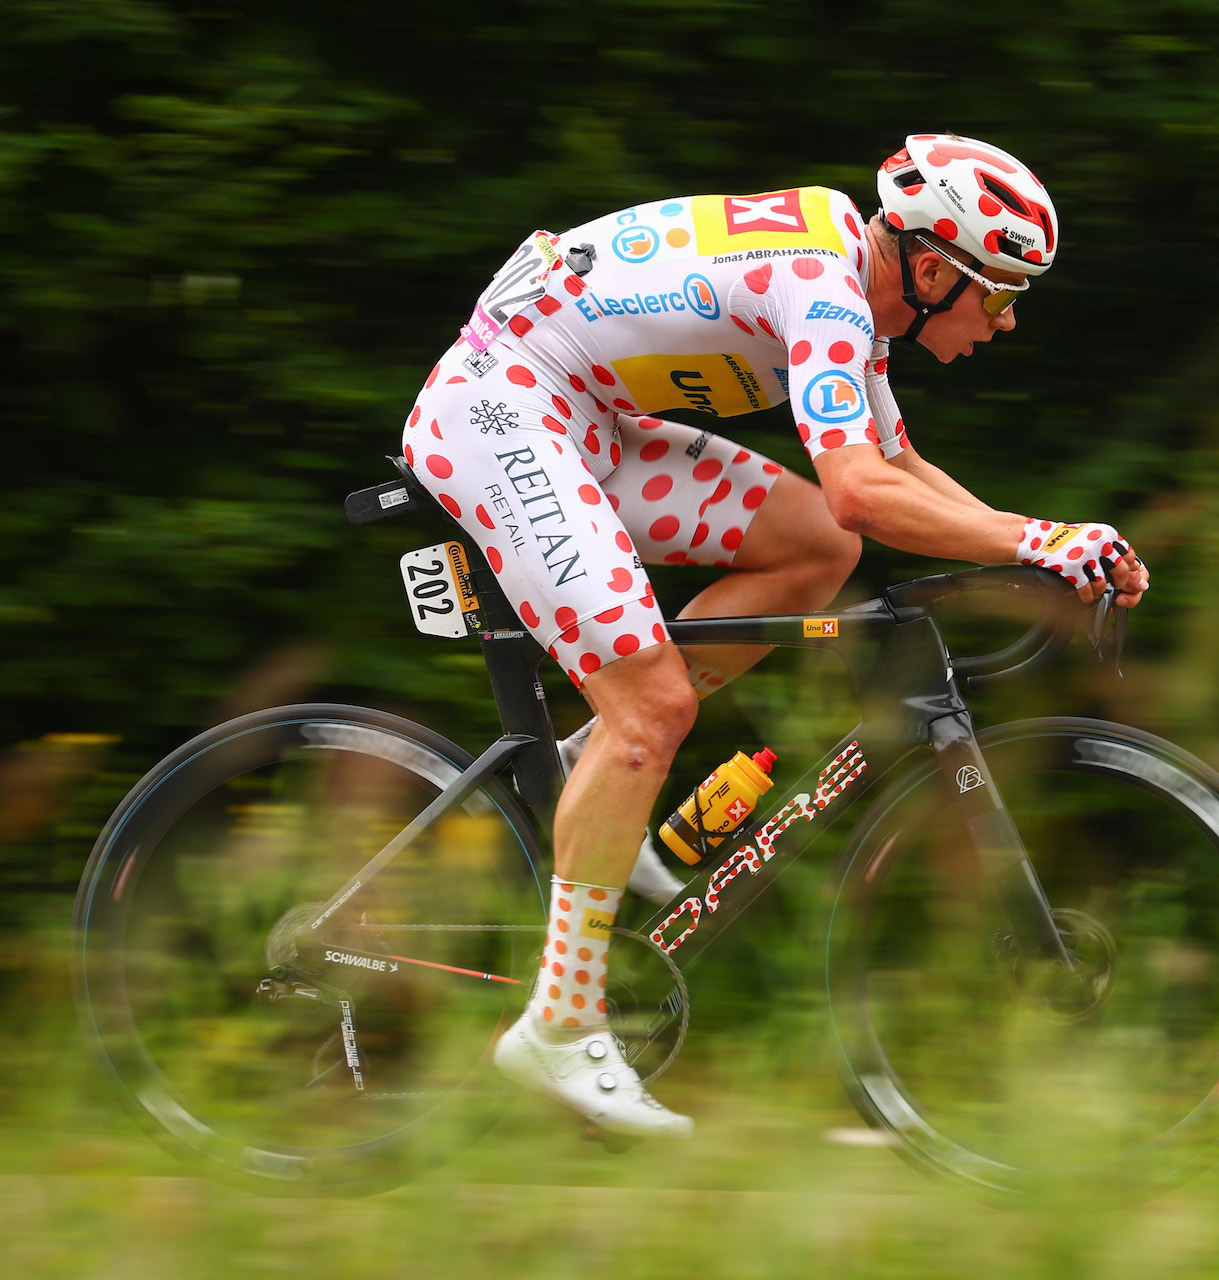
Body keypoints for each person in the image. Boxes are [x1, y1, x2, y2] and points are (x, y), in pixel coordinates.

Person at [399, 134, 1149, 1140]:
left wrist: (1043, 552)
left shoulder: (851, 281)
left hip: (579, 412)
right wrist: (1042, 539)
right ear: (932, 271)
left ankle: (593, 761)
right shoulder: (828, 288)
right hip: (501, 411)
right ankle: (561, 1024)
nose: (1005, 322)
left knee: (809, 547)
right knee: (655, 707)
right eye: (1001, 296)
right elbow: (861, 487)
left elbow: (891, 463)